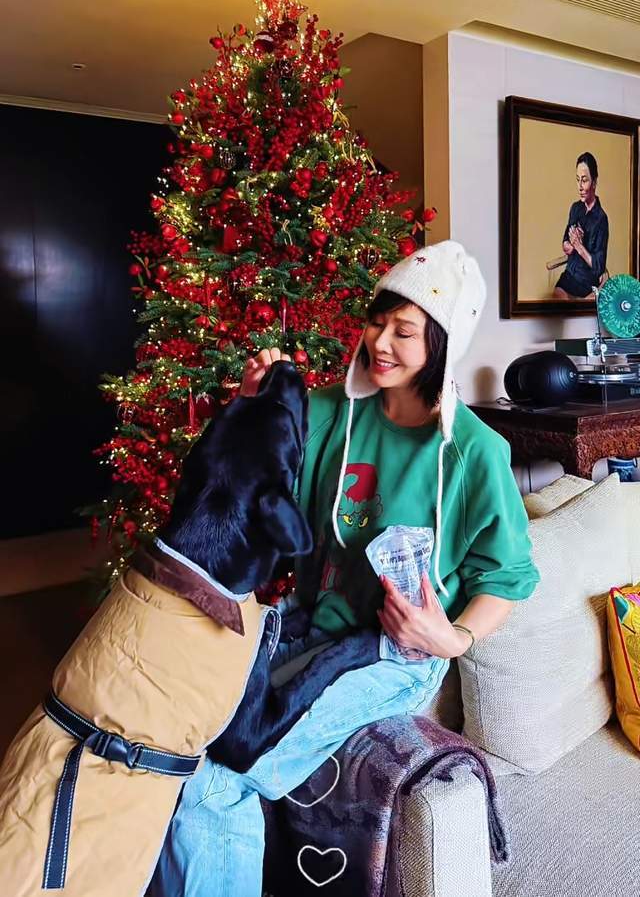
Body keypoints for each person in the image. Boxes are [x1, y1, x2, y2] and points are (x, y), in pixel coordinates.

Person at [151, 240, 540, 897]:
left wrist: (452, 638)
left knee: (210, 787)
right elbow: (247, 481)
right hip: (309, 625)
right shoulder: (330, 412)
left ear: (442, 344)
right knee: (174, 742)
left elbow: (506, 576)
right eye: (376, 321)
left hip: (396, 657)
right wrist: (250, 405)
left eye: (404, 331)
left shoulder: (475, 453)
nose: (379, 342)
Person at [554, 152, 609, 299]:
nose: (579, 186)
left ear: (594, 182)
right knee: (556, 298)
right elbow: (565, 244)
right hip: (569, 276)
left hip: (587, 282)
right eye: (577, 180)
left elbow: (599, 267)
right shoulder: (575, 208)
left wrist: (579, 246)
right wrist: (570, 245)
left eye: (584, 180)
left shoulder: (601, 219)